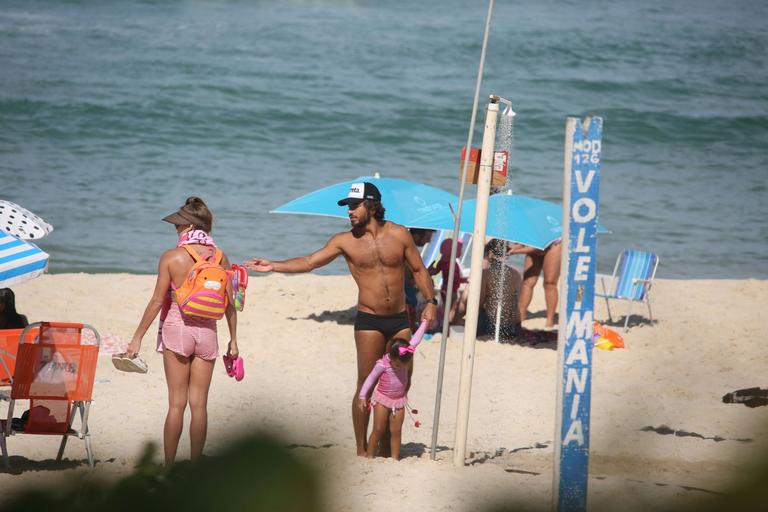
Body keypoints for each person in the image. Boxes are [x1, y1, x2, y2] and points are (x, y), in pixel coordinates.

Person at [245, 182, 438, 456]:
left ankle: (385, 447)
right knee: (366, 384)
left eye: (354, 205)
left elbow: (419, 270)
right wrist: (274, 265)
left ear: (372, 205)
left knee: (400, 382)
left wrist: (430, 302)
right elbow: (311, 261)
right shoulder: (344, 241)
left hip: (399, 319)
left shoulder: (400, 234)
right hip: (369, 321)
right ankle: (362, 450)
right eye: (348, 206)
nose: (349, 211)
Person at [125, 197, 238, 465]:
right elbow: (230, 304)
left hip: (177, 328)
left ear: (187, 225)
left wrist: (137, 337)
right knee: (199, 405)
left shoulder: (172, 257)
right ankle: (196, 467)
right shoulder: (221, 257)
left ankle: (169, 467)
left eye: (178, 225)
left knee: (176, 404)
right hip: (208, 332)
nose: (175, 229)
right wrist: (234, 340)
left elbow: (156, 301)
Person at [357, 320, 427, 460]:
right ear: (391, 357)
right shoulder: (383, 364)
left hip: (399, 401)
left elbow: (417, 338)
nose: (400, 367)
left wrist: (425, 323)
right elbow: (370, 379)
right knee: (378, 429)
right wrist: (362, 396)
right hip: (382, 400)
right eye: (397, 365)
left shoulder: (406, 352)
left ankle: (395, 458)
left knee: (396, 431)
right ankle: (370, 455)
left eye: (403, 365)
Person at [454, 239, 522, 342]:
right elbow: (515, 299)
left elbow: (478, 302)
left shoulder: (485, 274)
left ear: (490, 254)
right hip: (514, 326)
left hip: (492, 327)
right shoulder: (517, 273)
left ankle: (454, 321)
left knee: (465, 297)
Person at [507, 239, 562, 329]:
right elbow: (522, 244)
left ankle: (549, 319)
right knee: (528, 281)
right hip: (536, 243)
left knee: (550, 283)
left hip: (554, 244)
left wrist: (514, 251)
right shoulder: (526, 229)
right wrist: (509, 249)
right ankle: (520, 315)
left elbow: (532, 249)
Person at [405, 228, 434, 331]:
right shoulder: (404, 251)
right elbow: (406, 277)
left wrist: (427, 273)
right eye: (428, 237)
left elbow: (410, 274)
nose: (429, 241)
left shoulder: (407, 249)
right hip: (405, 298)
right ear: (417, 236)